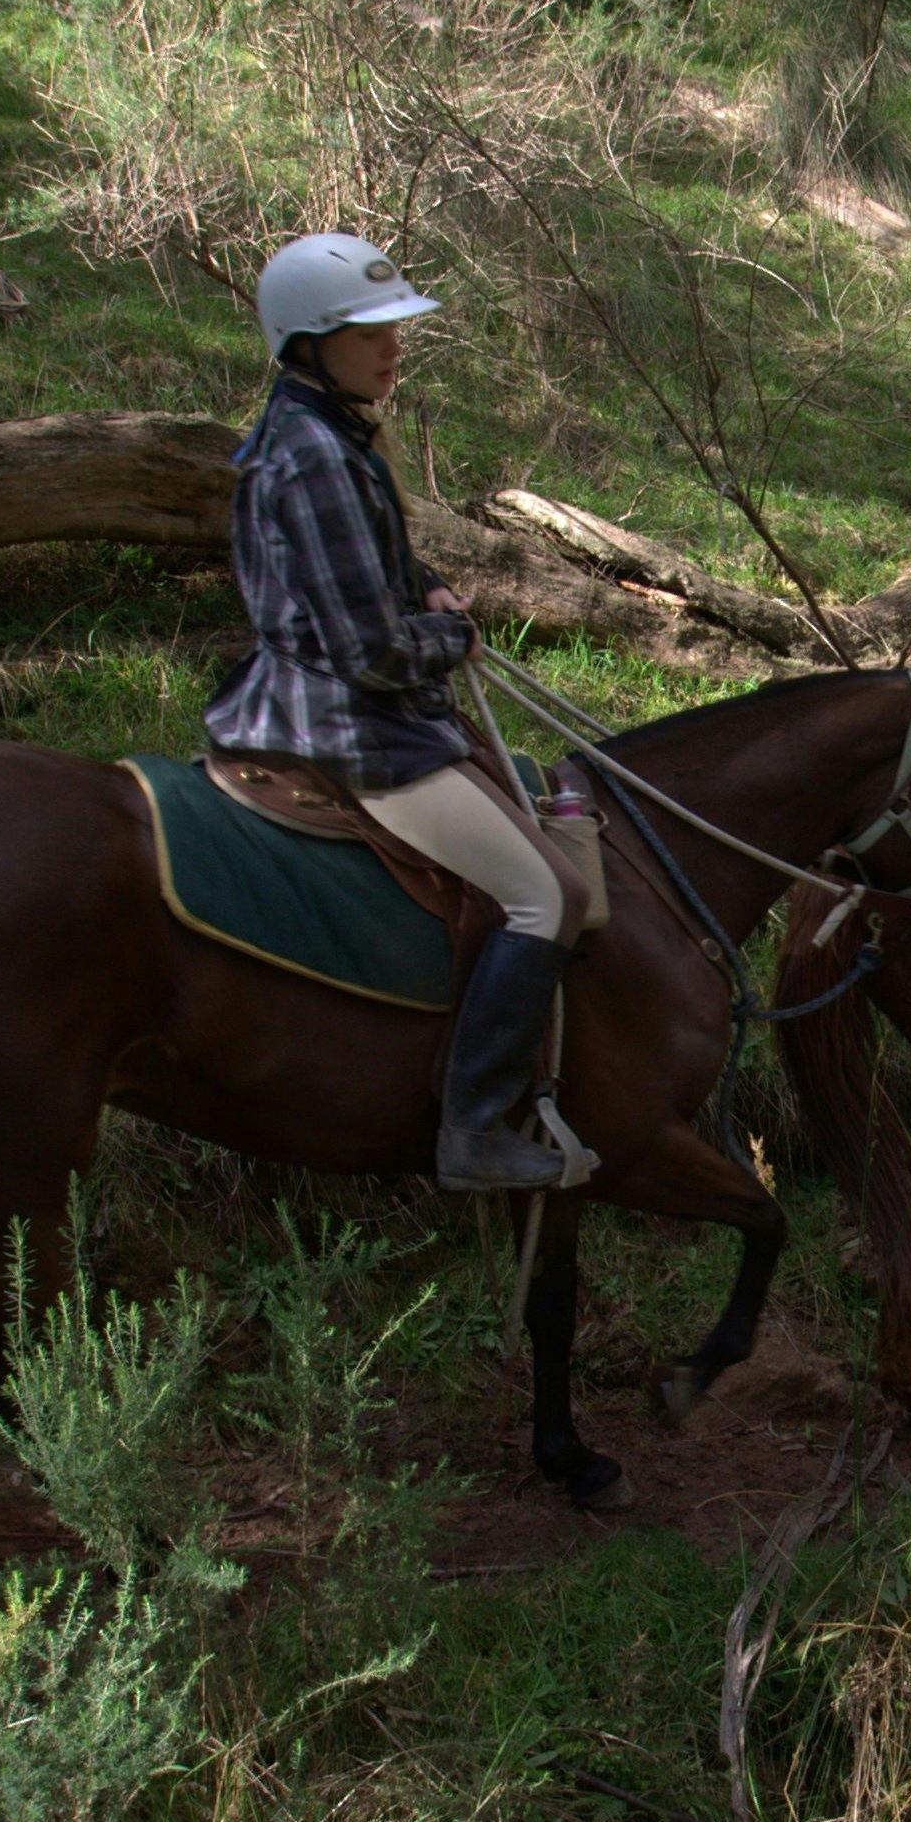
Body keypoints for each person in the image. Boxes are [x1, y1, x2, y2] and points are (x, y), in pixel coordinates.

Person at [203, 231, 586, 1187]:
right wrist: (454, 638)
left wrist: (429, 584)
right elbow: (369, 653)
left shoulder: (325, 433)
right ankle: (475, 1128)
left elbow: (362, 565)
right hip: (343, 725)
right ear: (307, 345)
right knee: (549, 895)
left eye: (393, 328)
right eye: (370, 331)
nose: (393, 346)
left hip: (335, 703)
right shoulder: (318, 454)